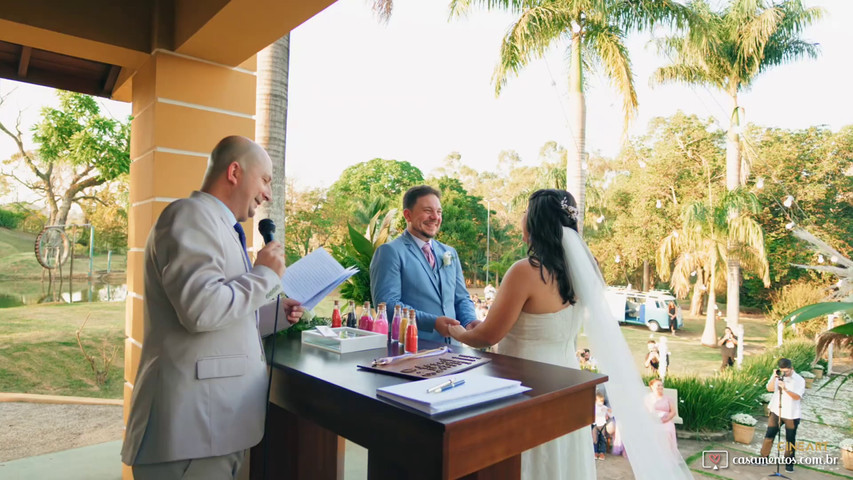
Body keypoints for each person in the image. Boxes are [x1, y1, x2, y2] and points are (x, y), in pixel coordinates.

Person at [445, 189, 692, 479]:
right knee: (561, 457)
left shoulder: (525, 271)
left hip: (525, 385)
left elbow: (488, 336)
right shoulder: (582, 269)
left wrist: (456, 331)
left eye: (526, 211)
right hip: (568, 383)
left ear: (536, 221)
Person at [121, 136, 304, 479]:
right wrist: (264, 274)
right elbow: (201, 310)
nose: (267, 193)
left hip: (215, 429)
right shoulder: (190, 215)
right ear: (234, 171)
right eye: (265, 180)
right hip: (192, 433)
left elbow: (220, 315)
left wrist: (275, 314)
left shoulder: (220, 226)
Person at [370, 185, 478, 342]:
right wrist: (432, 322)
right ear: (408, 215)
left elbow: (461, 298)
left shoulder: (450, 252)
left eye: (439, 212)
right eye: (428, 211)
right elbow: (387, 306)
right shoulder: (390, 252)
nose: (435, 217)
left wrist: (470, 321)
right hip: (411, 350)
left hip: (454, 351)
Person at [760, 358, 805, 472]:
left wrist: (785, 388)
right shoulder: (778, 375)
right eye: (782, 371)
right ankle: (764, 457)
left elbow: (797, 397)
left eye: (787, 371)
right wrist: (774, 377)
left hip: (791, 414)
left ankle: (789, 463)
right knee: (769, 435)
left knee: (790, 439)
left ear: (792, 368)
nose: (785, 373)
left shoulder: (799, 380)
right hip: (776, 411)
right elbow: (769, 388)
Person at [644, 379, 678, 455]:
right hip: (653, 420)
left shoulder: (668, 398)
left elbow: (673, 412)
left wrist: (666, 419)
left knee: (667, 432)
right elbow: (645, 411)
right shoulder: (648, 398)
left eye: (661, 385)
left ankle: (667, 454)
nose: (660, 387)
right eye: (658, 385)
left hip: (666, 420)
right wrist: (653, 419)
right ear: (652, 387)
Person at [592, 391, 611, 460]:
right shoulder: (594, 407)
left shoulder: (604, 407)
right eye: (599, 401)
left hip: (602, 424)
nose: (601, 403)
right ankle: (595, 452)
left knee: (603, 439)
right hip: (595, 425)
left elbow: (610, 412)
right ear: (595, 401)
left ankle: (602, 453)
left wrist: (607, 413)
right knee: (595, 439)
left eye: (602, 401)